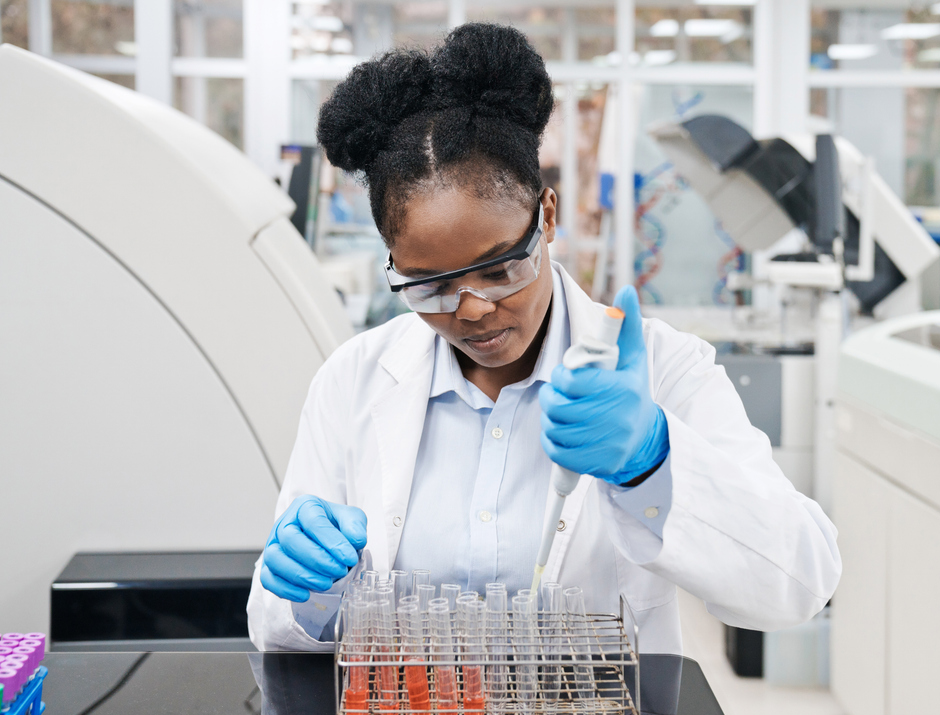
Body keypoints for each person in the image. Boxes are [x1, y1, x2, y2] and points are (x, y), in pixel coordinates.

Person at [246, 23, 839, 654]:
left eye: (500, 269)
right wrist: (308, 592)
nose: (472, 310)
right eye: (429, 286)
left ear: (547, 215)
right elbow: (276, 625)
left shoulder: (667, 370)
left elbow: (800, 581)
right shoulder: (354, 379)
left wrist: (654, 463)